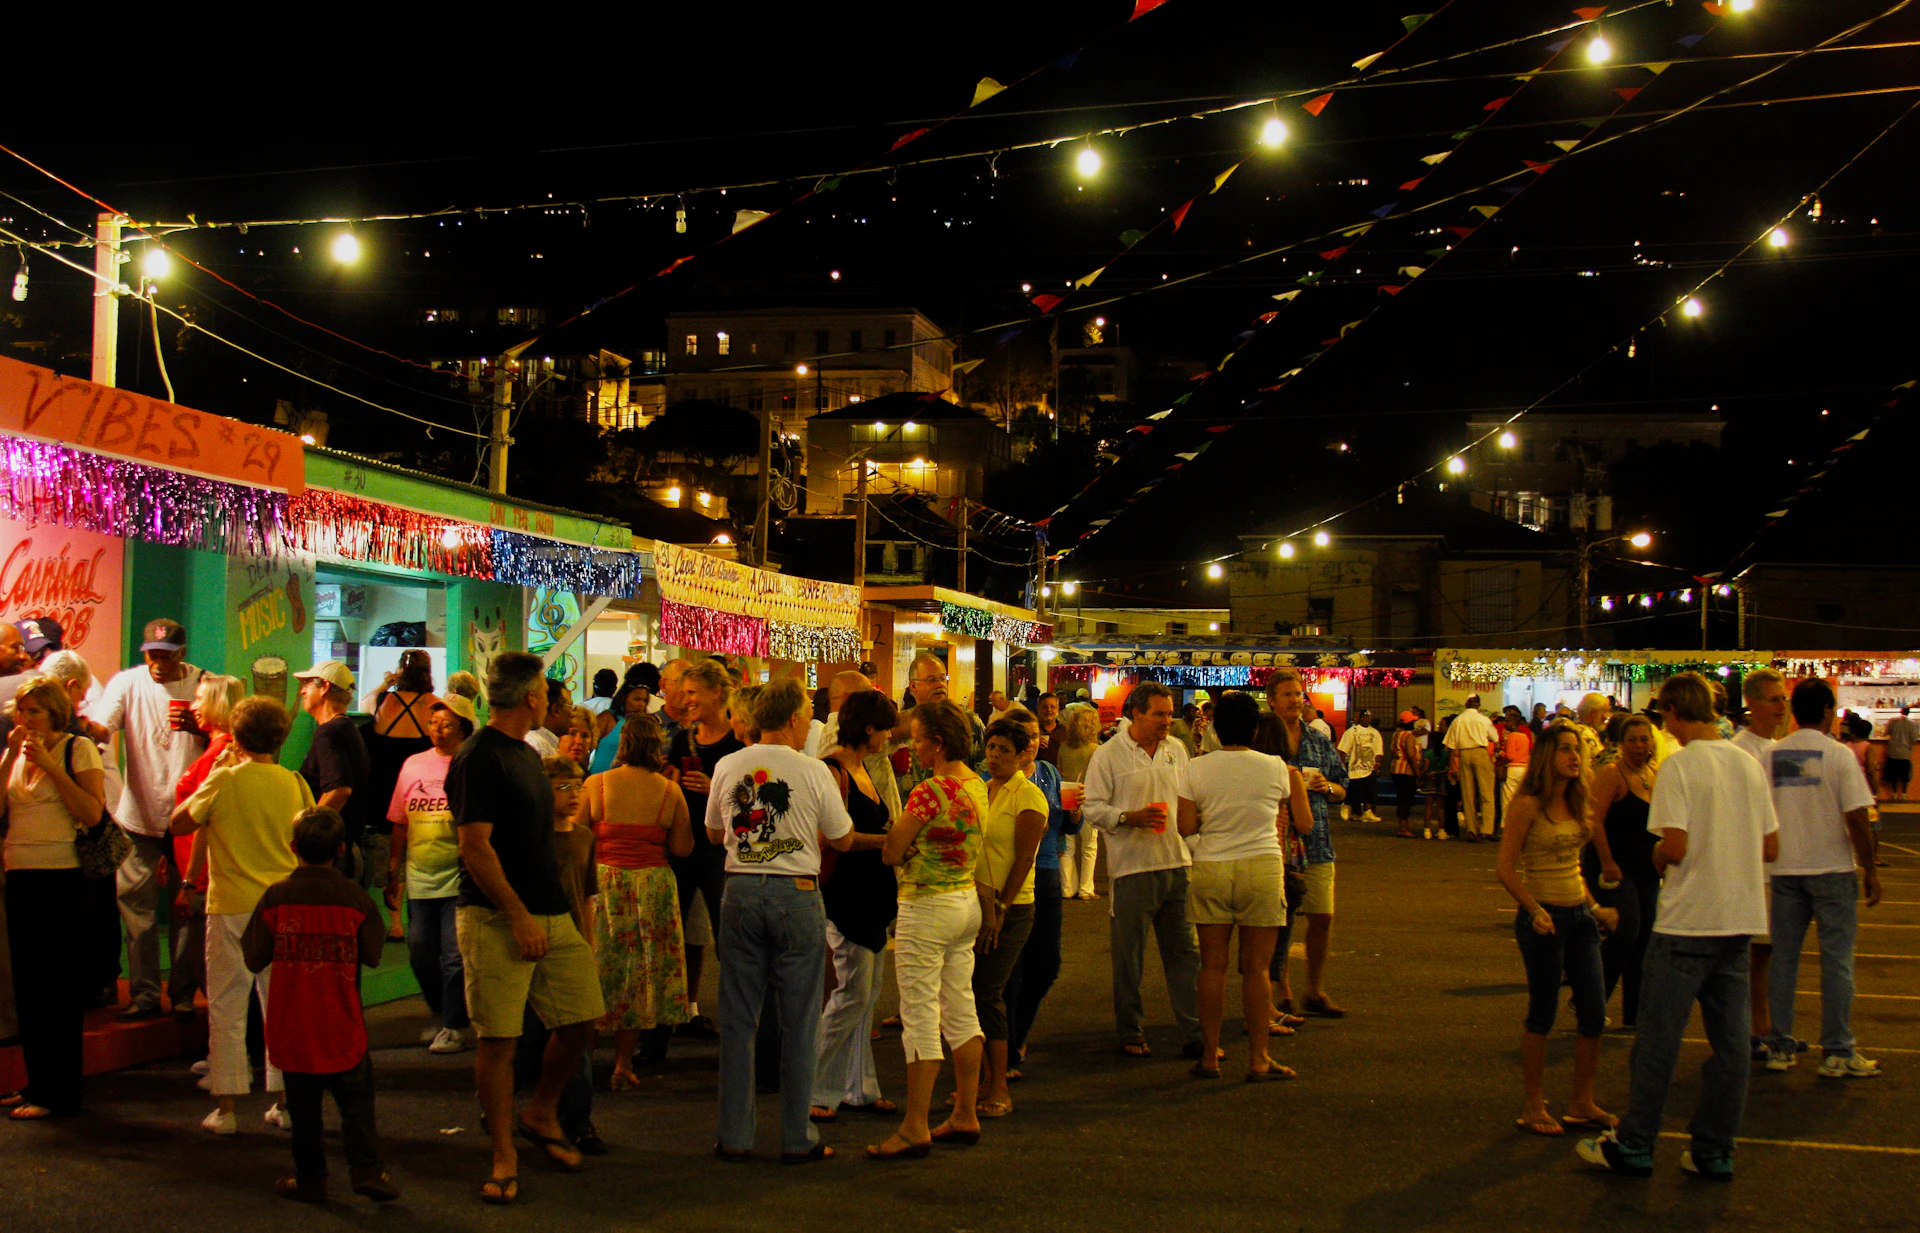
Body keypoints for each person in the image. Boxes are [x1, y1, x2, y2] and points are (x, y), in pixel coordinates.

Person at [1578, 673, 1778, 1181]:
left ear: (1671, 713)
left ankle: (1636, 1143)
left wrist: (1657, 857)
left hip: (1688, 921)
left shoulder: (1680, 766)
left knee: (1658, 1040)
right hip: (1739, 919)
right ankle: (1715, 1149)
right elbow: (1771, 845)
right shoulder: (1748, 763)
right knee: (1731, 1046)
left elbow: (1676, 846)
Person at [448, 651, 606, 1205]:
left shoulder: (525, 753)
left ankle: (540, 1111)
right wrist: (516, 916)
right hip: (495, 916)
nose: (553, 703)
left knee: (583, 1018)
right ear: (533, 698)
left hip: (548, 910)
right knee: (499, 1039)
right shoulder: (478, 757)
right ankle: (503, 1153)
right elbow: (474, 846)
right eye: (548, 694)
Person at [704, 678, 852, 1163]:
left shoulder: (729, 765)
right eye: (807, 713)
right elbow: (842, 837)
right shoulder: (813, 770)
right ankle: (797, 1137)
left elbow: (714, 832)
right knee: (800, 1021)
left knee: (738, 1019)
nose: (809, 721)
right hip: (797, 893)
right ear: (791, 718)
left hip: (740, 889)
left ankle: (734, 1135)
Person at [240, 808, 398, 1204]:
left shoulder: (276, 897)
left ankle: (310, 1177)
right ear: (341, 849)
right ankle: (367, 1168)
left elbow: (253, 956)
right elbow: (372, 953)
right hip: (342, 1019)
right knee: (357, 1103)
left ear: (293, 847)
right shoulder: (355, 899)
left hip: (292, 1021)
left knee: (303, 1111)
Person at [171, 696, 312, 1136]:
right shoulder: (295, 783)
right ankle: (284, 1103)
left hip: (231, 904)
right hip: (282, 906)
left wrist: (213, 775)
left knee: (227, 1007)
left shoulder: (224, 779)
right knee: (280, 1007)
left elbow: (178, 823)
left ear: (237, 736)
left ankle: (227, 1108)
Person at [868, 698, 986, 1160]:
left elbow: (892, 850)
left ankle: (915, 1124)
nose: (912, 747)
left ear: (937, 744)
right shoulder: (976, 784)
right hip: (965, 901)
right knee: (961, 1009)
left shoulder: (930, 791)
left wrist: (908, 845)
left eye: (917, 739)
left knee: (919, 1014)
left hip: (926, 905)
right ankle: (965, 1112)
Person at [80, 617, 207, 1020]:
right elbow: (104, 728)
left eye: (166, 656)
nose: (157, 663)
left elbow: (228, 739)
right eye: (152, 654)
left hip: (189, 816)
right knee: (137, 908)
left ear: (182, 654)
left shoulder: (204, 684)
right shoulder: (127, 683)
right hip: (138, 814)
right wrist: (84, 728)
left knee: (189, 910)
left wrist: (201, 727)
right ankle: (145, 994)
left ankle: (183, 993)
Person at [1181, 691, 1310, 1082]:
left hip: (1211, 867)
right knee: (1256, 969)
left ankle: (1209, 1057)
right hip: (1261, 866)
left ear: (1216, 729)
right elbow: (1298, 819)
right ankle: (1258, 1058)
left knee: (1212, 967)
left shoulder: (1195, 768)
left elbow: (1185, 826)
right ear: (1255, 729)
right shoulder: (1276, 768)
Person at [1497, 724, 1618, 1137]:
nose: (1574, 756)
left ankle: (1582, 1102)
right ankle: (1533, 1105)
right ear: (1547, 757)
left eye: (1577, 750)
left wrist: (1596, 909)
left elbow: (1573, 866)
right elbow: (1505, 869)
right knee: (1543, 1012)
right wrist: (1534, 909)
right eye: (1565, 749)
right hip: (1543, 920)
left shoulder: (1578, 800)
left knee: (1594, 1012)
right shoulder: (1527, 805)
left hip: (1580, 918)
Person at [1759, 679, 1882, 1078]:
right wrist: (1870, 868)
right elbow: (1857, 817)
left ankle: (1780, 1046)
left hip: (1784, 871)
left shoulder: (1771, 755)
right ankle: (1837, 1050)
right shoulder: (1838, 755)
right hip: (1831, 869)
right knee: (1837, 962)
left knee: (1783, 961)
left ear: (1794, 711)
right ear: (1828, 711)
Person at [1, 677, 106, 1119]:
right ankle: (37, 1083)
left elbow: (92, 812)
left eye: (35, 712)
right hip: (19, 872)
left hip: (61, 876)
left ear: (55, 713)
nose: (26, 720)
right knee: (28, 986)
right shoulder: (15, 753)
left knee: (57, 988)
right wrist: (10, 757)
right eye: (21, 711)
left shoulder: (76, 748)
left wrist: (50, 765)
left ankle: (59, 1092)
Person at [1083, 682, 1202, 1058]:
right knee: (1129, 959)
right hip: (1131, 870)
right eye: (1159, 714)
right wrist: (1127, 817)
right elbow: (1092, 807)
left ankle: (1196, 1032)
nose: (1167, 721)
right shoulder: (1108, 755)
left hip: (1177, 866)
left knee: (1185, 956)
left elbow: (1189, 800)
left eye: (1169, 714)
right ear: (1136, 714)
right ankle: (1130, 1031)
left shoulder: (1176, 749)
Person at [583, 711, 692, 1089]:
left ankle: (580, 1062)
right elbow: (683, 846)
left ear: (623, 743)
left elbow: (576, 839)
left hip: (604, 883)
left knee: (597, 971)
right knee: (638, 975)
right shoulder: (669, 791)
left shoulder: (596, 784)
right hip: (651, 887)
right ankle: (623, 1063)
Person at [812, 689, 902, 1122]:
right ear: (868, 729)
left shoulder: (862, 767)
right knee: (852, 994)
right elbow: (833, 837)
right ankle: (816, 1087)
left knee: (866, 997)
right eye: (884, 729)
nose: (888, 737)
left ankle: (858, 1087)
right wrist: (888, 840)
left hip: (872, 894)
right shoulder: (832, 771)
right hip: (847, 895)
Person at [515, 755, 603, 1156]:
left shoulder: (584, 837)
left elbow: (587, 896)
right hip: (534, 942)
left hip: (571, 941)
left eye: (578, 786)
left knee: (577, 1036)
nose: (573, 795)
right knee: (528, 1037)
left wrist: (590, 944)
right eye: (563, 787)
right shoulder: (532, 839)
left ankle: (577, 1120)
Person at [1253, 669, 1350, 1018]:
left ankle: (1315, 989)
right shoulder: (1261, 740)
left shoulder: (1319, 740)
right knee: (1278, 921)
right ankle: (1282, 991)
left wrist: (1327, 787)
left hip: (1316, 839)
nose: (1296, 701)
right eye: (1288, 694)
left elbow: (1342, 787)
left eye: (1299, 694)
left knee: (1322, 915)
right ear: (1272, 700)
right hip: (1274, 842)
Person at [967, 714, 1047, 1116]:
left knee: (988, 992)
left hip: (1011, 908)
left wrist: (1000, 908)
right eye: (991, 747)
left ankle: (999, 1085)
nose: (995, 755)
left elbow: (1025, 858)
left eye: (1004, 749)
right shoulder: (984, 790)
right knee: (971, 993)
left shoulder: (1027, 796)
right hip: (977, 903)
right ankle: (981, 1083)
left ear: (1021, 755)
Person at [387, 695, 476, 1054]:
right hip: (420, 875)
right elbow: (399, 821)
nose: (439, 730)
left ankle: (454, 1025)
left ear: (463, 729)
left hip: (460, 876)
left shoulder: (470, 765)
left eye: (447, 724)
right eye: (433, 723)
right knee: (421, 952)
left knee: (454, 956)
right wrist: (393, 869)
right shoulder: (413, 765)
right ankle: (441, 1012)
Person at [664, 657, 741, 1045]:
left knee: (729, 940)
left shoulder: (739, 743)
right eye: (684, 692)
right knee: (670, 937)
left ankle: (737, 1029)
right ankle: (662, 1027)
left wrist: (714, 788)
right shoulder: (683, 741)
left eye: (693, 692)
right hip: (681, 848)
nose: (686, 700)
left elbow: (749, 799)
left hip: (719, 852)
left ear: (717, 693)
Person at [1004, 706, 1080, 1078]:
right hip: (1008, 874)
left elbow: (1068, 826)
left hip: (1047, 871)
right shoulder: (993, 776)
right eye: (1024, 737)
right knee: (1009, 968)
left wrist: (1076, 813)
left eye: (1035, 736)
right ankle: (1005, 1050)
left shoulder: (1049, 772)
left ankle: (1015, 1033)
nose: (1031, 743)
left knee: (1046, 965)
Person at [168, 673, 244, 1022]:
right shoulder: (217, 751)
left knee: (211, 970)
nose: (193, 706)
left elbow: (204, 822)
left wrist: (189, 880)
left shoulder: (221, 757)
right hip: (194, 872)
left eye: (200, 699)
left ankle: (228, 1045)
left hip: (203, 878)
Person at [1583, 716, 1660, 1029]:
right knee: (1626, 931)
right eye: (1632, 740)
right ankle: (1590, 997)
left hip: (1646, 869)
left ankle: (1635, 1013)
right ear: (1621, 743)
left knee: (1644, 938)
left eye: (1644, 739)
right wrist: (1607, 862)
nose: (1639, 746)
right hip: (1614, 866)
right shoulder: (1612, 774)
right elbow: (1594, 821)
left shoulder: (1653, 774)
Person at [361, 649, 439, 942]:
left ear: (400, 671)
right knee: (419, 855)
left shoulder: (383, 701)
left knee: (390, 858)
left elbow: (364, 702)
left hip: (385, 789)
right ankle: (420, 919)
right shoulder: (434, 705)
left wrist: (386, 683)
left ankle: (395, 923)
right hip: (422, 789)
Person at [1731, 667, 1788, 1054]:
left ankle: (1769, 1027)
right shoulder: (1742, 750)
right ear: (1751, 703)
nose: (1781, 707)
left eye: (1783, 699)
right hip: (1755, 868)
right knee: (1753, 954)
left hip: (1780, 867)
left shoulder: (1780, 748)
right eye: (1773, 699)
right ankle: (1753, 1028)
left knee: (1771, 952)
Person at [294, 661, 373, 887]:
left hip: (332, 859)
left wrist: (308, 833)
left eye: (308, 684)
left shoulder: (328, 733)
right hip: (348, 852)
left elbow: (339, 790)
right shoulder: (346, 729)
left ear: (325, 687)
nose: (302, 691)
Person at [1055, 702, 1101, 899]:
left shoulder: (1063, 748)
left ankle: (1067, 887)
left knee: (1067, 845)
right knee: (1089, 845)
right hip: (1087, 797)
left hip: (1067, 794)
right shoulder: (1095, 749)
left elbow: (1060, 771)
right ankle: (1086, 889)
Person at [1445, 695, 1497, 843]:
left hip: (1464, 755)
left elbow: (1450, 744)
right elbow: (1495, 738)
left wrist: (1451, 765)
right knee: (1486, 793)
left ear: (1466, 704)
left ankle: (1471, 830)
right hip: (1480, 753)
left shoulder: (1458, 720)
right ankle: (1487, 829)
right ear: (1478, 705)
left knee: (1467, 794)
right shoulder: (1483, 719)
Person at [1336, 713, 1383, 824]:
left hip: (1369, 767)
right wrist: (1342, 764)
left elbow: (1378, 750)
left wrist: (1377, 763)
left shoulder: (1374, 733)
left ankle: (1367, 812)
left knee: (1370, 790)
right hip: (1354, 766)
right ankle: (1350, 808)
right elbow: (1343, 749)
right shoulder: (1351, 732)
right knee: (1355, 790)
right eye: (1365, 717)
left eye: (1369, 717)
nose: (1367, 719)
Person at [1390, 716, 1422, 838]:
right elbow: (1411, 755)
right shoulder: (1408, 735)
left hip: (1395, 768)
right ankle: (1403, 828)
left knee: (1401, 798)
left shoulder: (1396, 734)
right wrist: (1417, 772)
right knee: (1406, 799)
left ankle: (1402, 826)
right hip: (1406, 770)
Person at [1499, 709, 1534, 816]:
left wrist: (1501, 752)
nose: (1505, 724)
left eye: (1507, 721)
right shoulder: (1525, 736)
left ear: (1512, 724)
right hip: (1524, 769)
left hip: (1513, 769)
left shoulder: (1512, 736)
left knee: (1507, 799)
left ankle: (1505, 822)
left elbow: (1510, 756)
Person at [524, 679, 566, 759]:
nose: (573, 713)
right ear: (556, 709)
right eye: (571, 706)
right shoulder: (540, 745)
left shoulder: (543, 743)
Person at [1883, 705, 1917, 802]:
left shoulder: (1892, 721)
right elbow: (1914, 738)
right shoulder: (1913, 723)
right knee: (1904, 776)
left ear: (1900, 711)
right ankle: (1904, 795)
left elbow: (1885, 733)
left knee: (1893, 775)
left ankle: (1894, 794)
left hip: (1892, 752)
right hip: (1905, 753)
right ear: (1909, 713)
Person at [1034, 692, 1064, 764]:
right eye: (1045, 707)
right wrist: (1035, 743)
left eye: (1052, 707)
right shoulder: (1031, 730)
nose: (1049, 710)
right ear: (1038, 708)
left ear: (1058, 709)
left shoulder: (1065, 731)